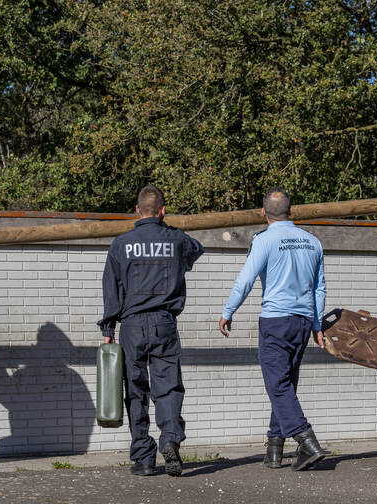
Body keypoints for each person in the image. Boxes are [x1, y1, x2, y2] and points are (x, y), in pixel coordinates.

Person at [218, 187, 328, 471]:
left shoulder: (264, 240)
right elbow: (319, 288)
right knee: (285, 384)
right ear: (291, 211)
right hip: (303, 321)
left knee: (278, 386)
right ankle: (274, 449)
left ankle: (306, 441)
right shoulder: (312, 242)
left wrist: (228, 311)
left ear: (263, 213)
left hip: (276, 320)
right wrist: (317, 325)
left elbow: (245, 280)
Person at [98, 186, 204, 477]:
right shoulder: (176, 239)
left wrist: (108, 328)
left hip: (131, 325)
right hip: (164, 323)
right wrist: (167, 230)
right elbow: (197, 248)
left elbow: (111, 289)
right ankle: (170, 439)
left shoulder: (121, 244)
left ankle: (144, 458)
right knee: (168, 387)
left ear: (137, 210)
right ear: (163, 210)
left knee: (135, 391)